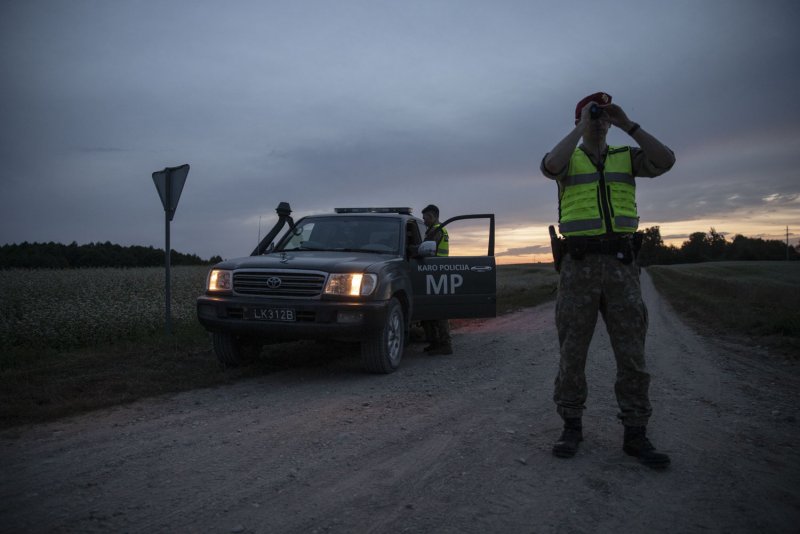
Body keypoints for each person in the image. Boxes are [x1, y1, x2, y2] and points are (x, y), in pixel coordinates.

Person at [540, 92, 676, 469]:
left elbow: (665, 161)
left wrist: (628, 124)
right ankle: (571, 426)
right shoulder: (570, 158)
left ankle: (636, 433)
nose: (599, 120)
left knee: (631, 352)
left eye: (602, 115)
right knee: (572, 352)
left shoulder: (625, 158)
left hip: (621, 265)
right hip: (579, 266)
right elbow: (550, 166)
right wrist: (584, 126)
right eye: (591, 114)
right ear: (578, 121)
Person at [420, 204, 453, 355]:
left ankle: (444, 344)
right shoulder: (441, 229)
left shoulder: (436, 230)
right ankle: (435, 342)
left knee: (439, 311)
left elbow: (426, 250)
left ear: (432, 217)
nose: (424, 220)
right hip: (437, 270)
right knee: (432, 309)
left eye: (425, 217)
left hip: (436, 272)